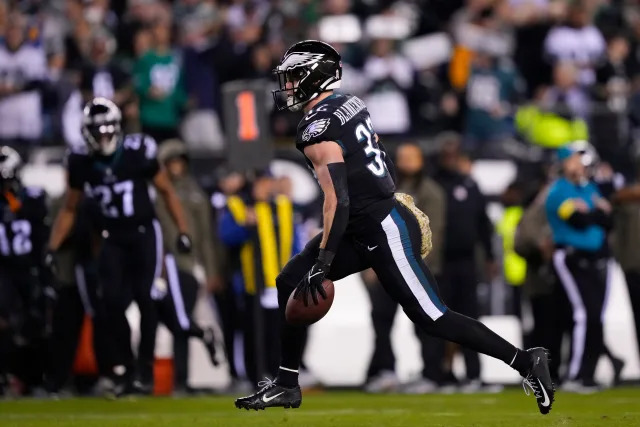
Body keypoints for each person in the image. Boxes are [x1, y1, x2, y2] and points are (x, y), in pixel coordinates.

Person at [234, 40, 555, 415]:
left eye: (293, 78)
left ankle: (524, 360)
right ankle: (287, 383)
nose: (287, 87)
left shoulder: (316, 129)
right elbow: (374, 158)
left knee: (432, 317)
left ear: (314, 77)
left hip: (381, 226)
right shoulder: (349, 103)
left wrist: (324, 261)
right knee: (290, 280)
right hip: (365, 220)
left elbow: (338, 199)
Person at [46, 97, 192, 395]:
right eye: (96, 131)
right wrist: (52, 247)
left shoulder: (138, 151)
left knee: (146, 296)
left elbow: (166, 191)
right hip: (112, 236)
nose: (102, 137)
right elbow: (70, 208)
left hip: (144, 232)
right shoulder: (81, 161)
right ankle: (126, 368)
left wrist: (183, 230)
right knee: (110, 303)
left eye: (105, 130)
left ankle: (145, 371)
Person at [362, 142, 447, 393]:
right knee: (381, 319)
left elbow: (433, 234)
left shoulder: (431, 191)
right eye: (404, 157)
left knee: (425, 321)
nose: (408, 161)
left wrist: (420, 266)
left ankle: (431, 374)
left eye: (413, 156)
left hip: (417, 267)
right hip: (386, 267)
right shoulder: (386, 189)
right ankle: (386, 370)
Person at [545, 145, 613, 392]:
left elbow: (609, 220)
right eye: (573, 160)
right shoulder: (558, 191)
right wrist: (597, 211)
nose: (579, 164)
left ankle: (588, 374)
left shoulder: (587, 189)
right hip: (571, 258)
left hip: (595, 258)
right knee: (583, 315)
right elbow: (578, 220)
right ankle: (575, 374)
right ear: (563, 163)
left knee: (594, 316)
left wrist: (593, 211)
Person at [0, 146, 50, 396]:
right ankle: (5, 376)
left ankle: (34, 380)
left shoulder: (32, 198)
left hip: (30, 268)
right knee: (4, 322)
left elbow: (42, 233)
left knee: (37, 323)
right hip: (4, 270)